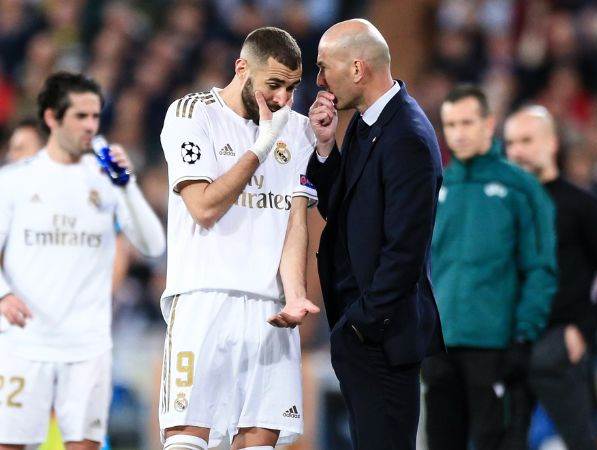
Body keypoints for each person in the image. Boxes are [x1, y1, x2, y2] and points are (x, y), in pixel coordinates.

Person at [158, 27, 320, 450]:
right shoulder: (191, 114)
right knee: (188, 439)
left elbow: (294, 223)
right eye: (274, 85)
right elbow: (204, 207)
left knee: (260, 441)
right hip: (203, 300)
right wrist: (260, 148)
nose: (283, 98)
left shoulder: (298, 131)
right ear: (242, 68)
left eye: (292, 87)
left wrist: (295, 294)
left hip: (269, 309)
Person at [0, 72, 166, 450]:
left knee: (84, 445)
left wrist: (127, 186)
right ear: (52, 118)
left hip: (88, 343)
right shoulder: (14, 181)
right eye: (80, 116)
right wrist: (3, 295)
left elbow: (154, 245)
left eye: (95, 116)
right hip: (26, 341)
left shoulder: (106, 178)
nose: (91, 125)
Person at [305, 19, 445, 450]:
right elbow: (338, 208)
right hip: (364, 335)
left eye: (325, 67)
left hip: (382, 339)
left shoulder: (408, 136)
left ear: (358, 69)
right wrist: (326, 147)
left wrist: (363, 325)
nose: (321, 80)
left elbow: (404, 252)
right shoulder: (370, 123)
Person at [423, 85, 557, 450]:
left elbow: (540, 269)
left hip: (495, 347)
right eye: (450, 124)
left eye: (467, 122)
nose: (458, 133)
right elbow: (423, 268)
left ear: (488, 124)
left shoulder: (522, 189)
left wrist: (522, 336)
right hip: (441, 346)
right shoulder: (436, 185)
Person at [505, 105, 597, 450]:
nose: (517, 150)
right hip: (510, 343)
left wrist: (583, 331)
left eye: (527, 140)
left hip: (560, 343)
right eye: (511, 142)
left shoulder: (582, 205)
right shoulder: (503, 206)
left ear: (552, 143)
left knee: (580, 442)